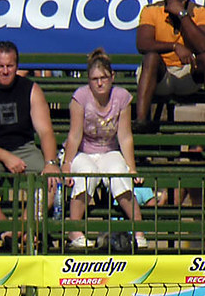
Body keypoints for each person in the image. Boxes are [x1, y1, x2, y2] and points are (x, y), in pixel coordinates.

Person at [0, 40, 61, 252]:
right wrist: (5, 156)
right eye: (0, 66)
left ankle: (18, 231)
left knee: (52, 181)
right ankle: (5, 225)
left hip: (24, 148)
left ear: (17, 66)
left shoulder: (32, 90)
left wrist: (51, 163)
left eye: (10, 66)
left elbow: (45, 131)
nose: (5, 71)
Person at [62, 49, 146, 251]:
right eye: (94, 79)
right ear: (89, 80)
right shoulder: (80, 97)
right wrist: (66, 164)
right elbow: (74, 135)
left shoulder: (122, 97)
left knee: (119, 173)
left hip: (109, 150)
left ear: (112, 77)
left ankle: (139, 231)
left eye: (104, 78)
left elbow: (125, 136)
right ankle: (74, 230)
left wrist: (132, 168)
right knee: (85, 174)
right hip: (83, 151)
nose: (99, 83)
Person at [133, 0, 205, 134]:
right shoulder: (151, 11)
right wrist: (174, 46)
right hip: (160, 75)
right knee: (151, 57)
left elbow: (202, 46)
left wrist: (182, 15)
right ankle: (141, 121)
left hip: (189, 75)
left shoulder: (200, 12)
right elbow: (142, 44)